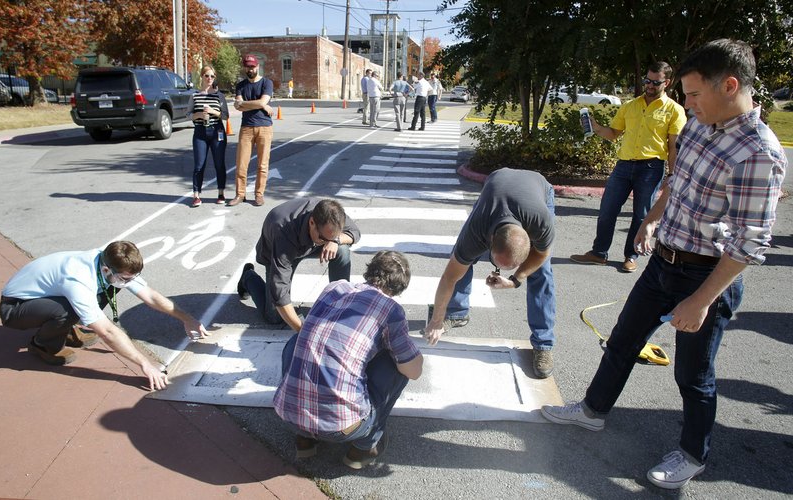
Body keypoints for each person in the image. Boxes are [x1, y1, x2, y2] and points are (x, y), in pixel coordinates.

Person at [542, 39, 786, 490]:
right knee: (622, 341)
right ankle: (593, 412)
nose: (685, 103)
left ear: (729, 86)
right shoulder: (699, 124)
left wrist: (699, 301)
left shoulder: (759, 153)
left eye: (693, 94)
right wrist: (651, 222)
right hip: (663, 261)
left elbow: (750, 245)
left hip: (706, 276)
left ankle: (692, 455)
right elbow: (678, 181)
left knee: (693, 377)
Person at [273, 250, 423, 469]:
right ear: (398, 289)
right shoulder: (391, 310)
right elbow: (414, 371)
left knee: (298, 341)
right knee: (397, 365)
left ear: (370, 271)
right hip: (341, 427)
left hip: (288, 414)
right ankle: (364, 448)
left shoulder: (334, 288)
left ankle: (304, 438)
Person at [0, 241, 209, 390]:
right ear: (107, 269)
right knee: (69, 310)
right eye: (125, 278)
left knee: (105, 291)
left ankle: (65, 328)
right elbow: (107, 331)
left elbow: (151, 297)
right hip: (15, 307)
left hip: (48, 295)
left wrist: (187, 318)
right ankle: (43, 344)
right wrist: (144, 363)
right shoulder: (78, 280)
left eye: (132, 278)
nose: (129, 282)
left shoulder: (109, 261)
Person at [423, 167, 558, 378]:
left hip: (538, 188)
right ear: (490, 240)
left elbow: (541, 255)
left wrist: (515, 280)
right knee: (461, 256)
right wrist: (436, 321)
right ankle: (455, 313)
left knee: (541, 273)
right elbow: (449, 277)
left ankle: (544, 344)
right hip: (495, 186)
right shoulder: (478, 229)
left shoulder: (541, 222)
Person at [570, 61, 686, 273]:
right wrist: (595, 127)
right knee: (607, 209)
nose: (649, 85)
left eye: (655, 82)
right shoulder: (630, 106)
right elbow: (613, 134)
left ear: (666, 83)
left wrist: (673, 174)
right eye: (647, 81)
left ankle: (630, 256)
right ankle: (599, 253)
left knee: (641, 214)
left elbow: (673, 146)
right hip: (623, 165)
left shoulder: (674, 111)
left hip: (652, 167)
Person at [237, 198, 361, 333]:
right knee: (274, 317)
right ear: (312, 222)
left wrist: (335, 241)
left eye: (331, 237)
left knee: (341, 250)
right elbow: (280, 290)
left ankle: (340, 302)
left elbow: (355, 232)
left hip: (310, 244)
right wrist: (302, 331)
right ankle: (248, 277)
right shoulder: (283, 230)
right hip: (282, 251)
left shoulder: (333, 215)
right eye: (324, 238)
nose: (327, 241)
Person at [228, 54, 274, 207]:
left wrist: (256, 104)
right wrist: (261, 105)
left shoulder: (267, 83)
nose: (250, 69)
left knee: (262, 164)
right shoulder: (241, 85)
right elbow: (237, 106)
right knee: (241, 163)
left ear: (258, 66)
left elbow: (248, 103)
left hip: (264, 127)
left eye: (252, 66)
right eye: (248, 66)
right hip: (246, 127)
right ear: (244, 67)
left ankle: (259, 195)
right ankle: (240, 195)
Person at [186, 65, 229, 207]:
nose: (209, 79)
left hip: (217, 131)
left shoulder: (219, 95)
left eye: (212, 76)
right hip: (200, 132)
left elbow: (225, 115)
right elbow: (188, 115)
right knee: (199, 165)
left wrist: (212, 111)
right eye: (207, 76)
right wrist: (198, 115)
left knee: (219, 163)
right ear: (202, 77)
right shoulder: (195, 95)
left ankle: (221, 193)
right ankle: (196, 195)